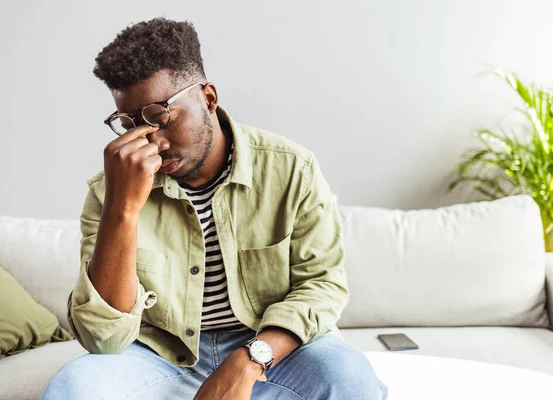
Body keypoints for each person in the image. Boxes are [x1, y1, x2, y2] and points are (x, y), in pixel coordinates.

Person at [40, 17, 387, 400]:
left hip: (273, 350)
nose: (152, 141)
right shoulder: (110, 192)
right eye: (130, 124)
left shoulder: (291, 168)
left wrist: (252, 358)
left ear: (207, 98)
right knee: (73, 387)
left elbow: (321, 286)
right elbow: (102, 340)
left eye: (161, 116)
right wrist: (123, 209)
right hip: (158, 357)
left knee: (351, 379)